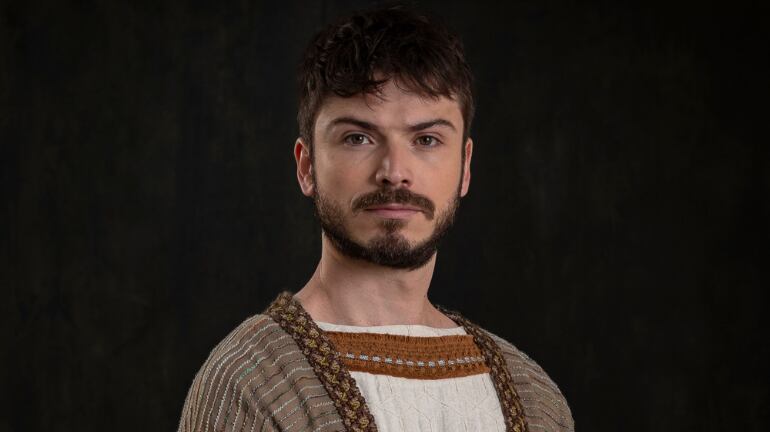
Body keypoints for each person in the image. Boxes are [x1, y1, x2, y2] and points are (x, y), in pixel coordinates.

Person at [178, 6, 574, 432]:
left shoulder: (535, 398)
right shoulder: (250, 386)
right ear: (307, 166)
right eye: (358, 137)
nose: (394, 171)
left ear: (465, 166)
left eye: (427, 139)